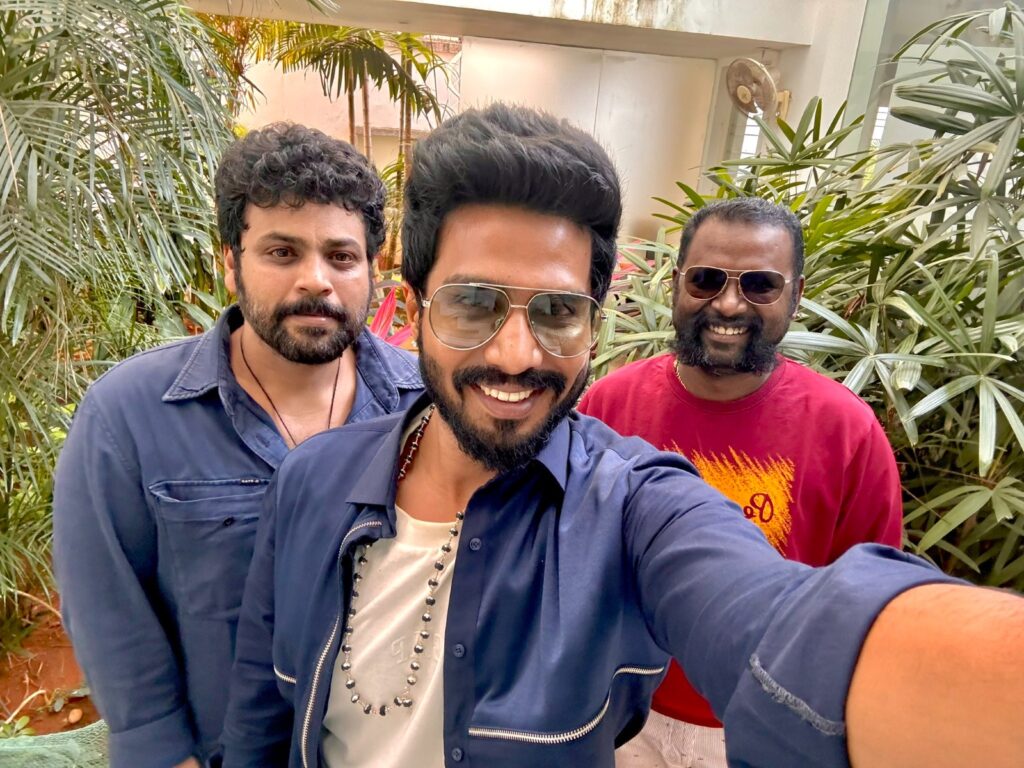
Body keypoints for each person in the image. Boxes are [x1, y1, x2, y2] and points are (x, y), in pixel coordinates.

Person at [221, 104, 1024, 768]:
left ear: (596, 324)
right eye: (472, 303)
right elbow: (261, 713)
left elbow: (777, 617)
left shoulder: (632, 505)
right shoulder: (312, 483)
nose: (515, 354)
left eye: (558, 312)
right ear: (414, 307)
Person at [53, 124, 424, 768]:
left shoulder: (425, 410)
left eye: (341, 257)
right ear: (231, 263)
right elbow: (105, 604)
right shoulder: (130, 415)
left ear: (372, 269)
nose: (316, 281)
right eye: (282, 252)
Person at [577, 197, 904, 768]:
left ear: (795, 296)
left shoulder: (848, 430)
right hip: (622, 709)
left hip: (766, 724)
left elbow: (866, 608)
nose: (729, 303)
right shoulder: (608, 405)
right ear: (677, 284)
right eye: (706, 280)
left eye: (760, 285)